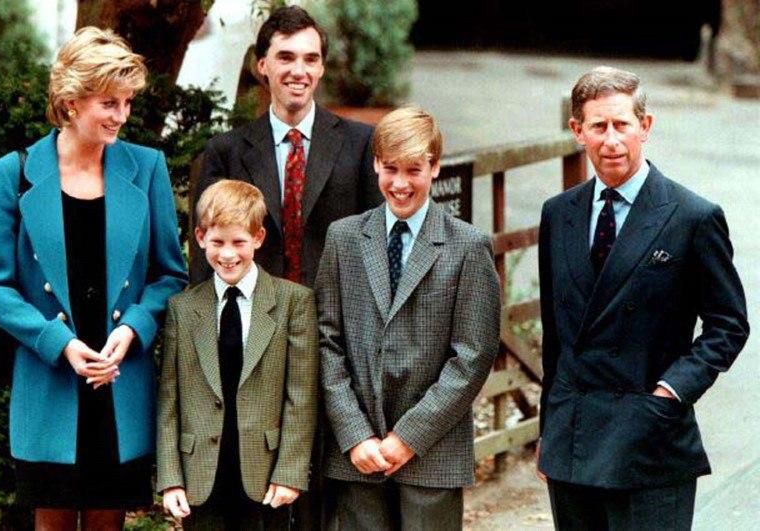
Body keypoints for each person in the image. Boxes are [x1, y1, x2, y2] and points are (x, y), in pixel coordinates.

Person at [0, 27, 187, 530]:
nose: (122, 116)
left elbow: (169, 273)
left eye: (128, 102)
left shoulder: (147, 167)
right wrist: (58, 342)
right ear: (71, 101)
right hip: (50, 381)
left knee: (108, 523)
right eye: (109, 103)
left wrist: (132, 329)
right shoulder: (14, 172)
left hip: (121, 381)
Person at [537, 66, 749, 530]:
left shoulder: (693, 217)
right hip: (573, 442)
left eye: (622, 125)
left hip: (650, 442)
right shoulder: (559, 215)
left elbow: (729, 325)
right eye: (598, 127)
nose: (611, 140)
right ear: (578, 132)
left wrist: (670, 393)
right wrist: (548, 431)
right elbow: (556, 336)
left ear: (645, 127)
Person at [315, 107, 501, 530]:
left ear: (435, 167)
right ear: (376, 164)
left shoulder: (467, 247)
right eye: (391, 169)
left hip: (432, 449)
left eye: (414, 170)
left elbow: (472, 355)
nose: (400, 184)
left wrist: (409, 437)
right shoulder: (343, 238)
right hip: (358, 451)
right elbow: (326, 339)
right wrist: (354, 432)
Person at [157, 180, 319, 530]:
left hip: (265, 474)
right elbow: (169, 400)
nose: (227, 254)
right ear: (199, 238)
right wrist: (171, 478)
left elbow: (301, 396)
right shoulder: (183, 309)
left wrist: (290, 471)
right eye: (217, 242)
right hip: (201, 474)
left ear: (258, 239)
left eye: (238, 242)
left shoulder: (293, 302)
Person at [192, 5, 382, 288]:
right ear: (262, 65)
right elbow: (205, 257)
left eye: (310, 59)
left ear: (321, 68)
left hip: (334, 321)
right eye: (286, 57)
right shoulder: (226, 152)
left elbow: (377, 245)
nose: (299, 71)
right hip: (254, 321)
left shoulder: (362, 143)